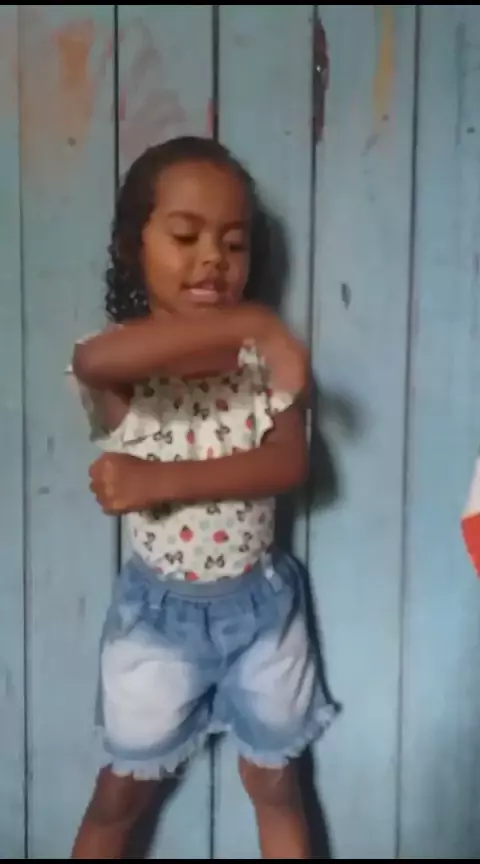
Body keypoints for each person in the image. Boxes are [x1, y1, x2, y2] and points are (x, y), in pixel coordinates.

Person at [69, 136, 335, 859]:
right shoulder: (124, 365)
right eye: (186, 236)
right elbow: (91, 360)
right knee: (121, 794)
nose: (214, 258)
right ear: (134, 247)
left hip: (262, 612)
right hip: (159, 621)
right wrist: (256, 321)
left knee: (277, 785)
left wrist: (160, 481)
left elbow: (287, 462)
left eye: (233, 243)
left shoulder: (262, 363)